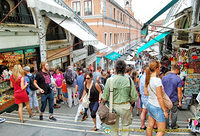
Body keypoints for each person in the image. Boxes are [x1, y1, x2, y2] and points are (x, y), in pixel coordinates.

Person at [102, 60, 138, 136]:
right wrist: (131, 102)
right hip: (125, 106)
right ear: (125, 69)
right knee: (125, 127)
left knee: (113, 128)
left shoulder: (109, 80)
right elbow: (134, 97)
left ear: (115, 69)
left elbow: (104, 97)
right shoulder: (129, 80)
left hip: (113, 107)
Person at [145, 60, 168, 136]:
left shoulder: (148, 78)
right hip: (157, 106)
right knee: (161, 130)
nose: (160, 69)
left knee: (150, 126)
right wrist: (164, 110)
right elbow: (159, 97)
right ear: (157, 68)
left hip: (150, 104)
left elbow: (146, 93)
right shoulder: (157, 80)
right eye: (160, 67)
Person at [162, 64, 182, 129]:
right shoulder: (178, 79)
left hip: (166, 98)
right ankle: (173, 125)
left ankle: (166, 126)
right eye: (179, 70)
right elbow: (179, 92)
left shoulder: (164, 77)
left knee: (166, 112)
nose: (179, 72)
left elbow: (162, 89)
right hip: (174, 98)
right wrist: (180, 101)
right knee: (174, 112)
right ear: (176, 70)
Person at [139, 65, 149, 130]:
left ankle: (142, 125)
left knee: (144, 111)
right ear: (145, 70)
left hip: (143, 96)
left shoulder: (141, 77)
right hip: (148, 96)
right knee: (149, 112)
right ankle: (153, 126)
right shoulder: (147, 77)